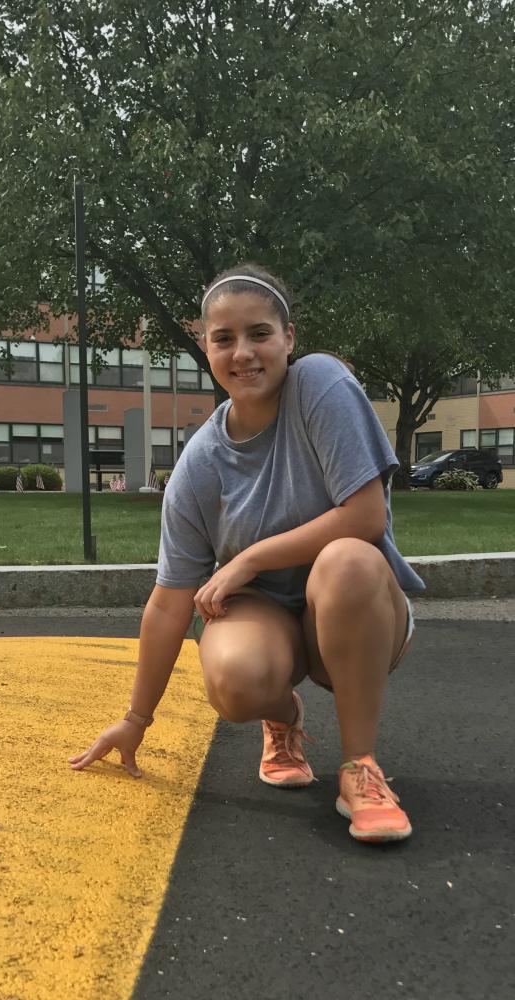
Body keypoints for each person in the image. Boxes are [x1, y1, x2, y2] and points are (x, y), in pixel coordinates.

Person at [69, 262, 425, 844]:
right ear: (205, 348)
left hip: (360, 612)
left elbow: (365, 518)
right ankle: (282, 717)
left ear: (289, 337)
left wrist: (249, 558)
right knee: (233, 678)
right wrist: (137, 720)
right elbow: (169, 602)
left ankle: (360, 768)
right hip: (270, 620)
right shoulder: (200, 466)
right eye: (224, 338)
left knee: (348, 560)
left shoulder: (322, 384)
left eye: (260, 333)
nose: (244, 353)